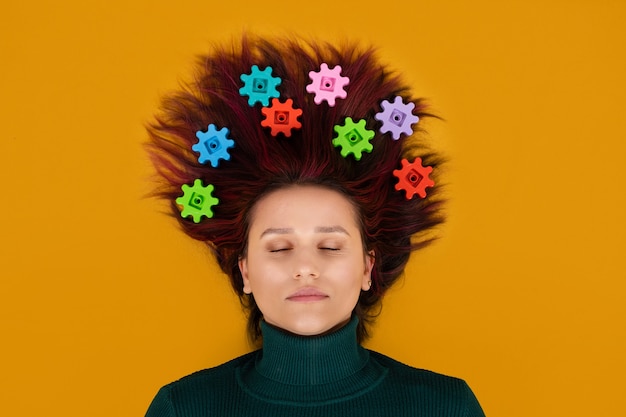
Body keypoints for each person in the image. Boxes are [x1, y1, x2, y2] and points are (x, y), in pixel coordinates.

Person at [144, 34, 485, 416]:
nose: (305, 267)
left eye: (330, 246)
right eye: (279, 248)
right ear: (245, 272)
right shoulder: (185, 408)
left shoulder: (444, 407)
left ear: (368, 267)